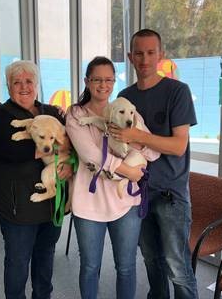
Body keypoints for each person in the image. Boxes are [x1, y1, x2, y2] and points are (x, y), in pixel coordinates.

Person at [109, 29, 199, 299]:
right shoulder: (124, 97)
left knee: (177, 266)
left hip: (171, 195)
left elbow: (178, 145)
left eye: (151, 52)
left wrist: (136, 135)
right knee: (151, 261)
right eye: (139, 53)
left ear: (161, 55)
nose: (144, 59)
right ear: (130, 57)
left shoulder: (177, 92)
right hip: (138, 196)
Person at [66, 56, 159, 299]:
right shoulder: (76, 114)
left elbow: (153, 152)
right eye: (97, 79)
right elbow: (91, 155)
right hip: (88, 204)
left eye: (109, 79)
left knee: (126, 267)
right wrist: (129, 172)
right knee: (89, 267)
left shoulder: (127, 111)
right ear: (87, 81)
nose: (103, 84)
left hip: (125, 203)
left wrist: (135, 137)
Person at [0, 60, 72, 299]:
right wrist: (51, 145)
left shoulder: (53, 112)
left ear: (37, 84)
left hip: (52, 202)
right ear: (8, 86)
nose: (23, 87)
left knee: (45, 258)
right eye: (17, 82)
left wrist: (69, 168)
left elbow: (71, 146)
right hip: (18, 206)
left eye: (29, 81)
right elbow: (7, 151)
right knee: (18, 262)